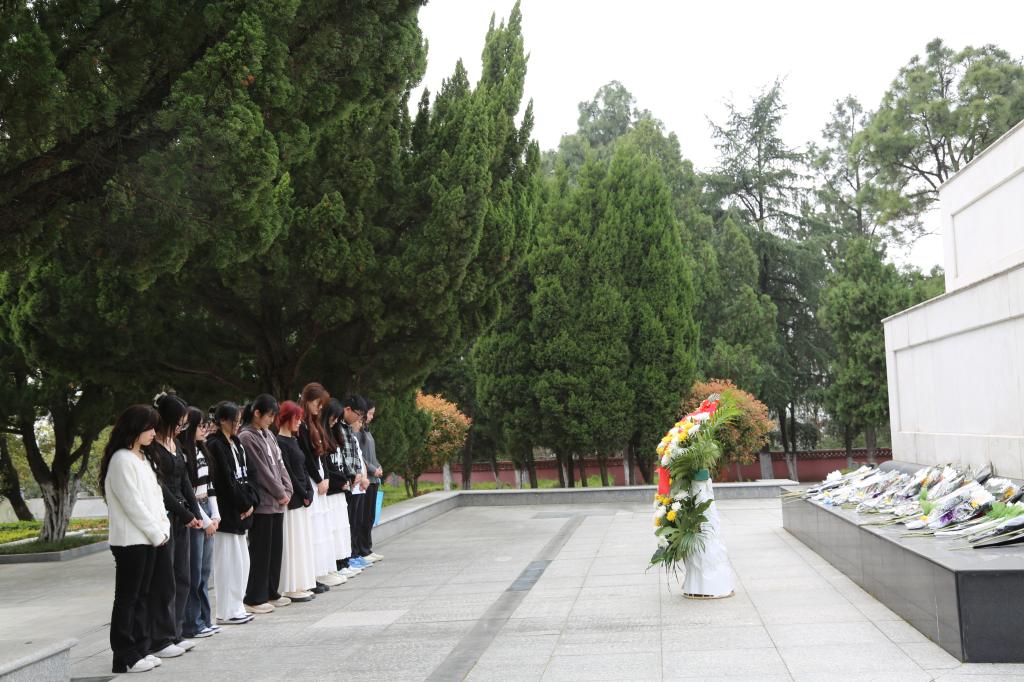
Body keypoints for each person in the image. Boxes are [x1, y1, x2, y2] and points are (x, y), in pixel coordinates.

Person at [100, 405, 169, 674]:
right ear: (135, 428)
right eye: (149, 427)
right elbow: (133, 504)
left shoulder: (142, 458)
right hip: (130, 541)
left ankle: (140, 649)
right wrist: (156, 532)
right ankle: (124, 655)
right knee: (127, 599)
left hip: (149, 539)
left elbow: (156, 498)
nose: (153, 433)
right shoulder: (121, 460)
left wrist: (162, 528)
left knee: (142, 597)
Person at [146, 392, 202, 659]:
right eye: (179, 422)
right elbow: (161, 487)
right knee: (165, 580)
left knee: (183, 576)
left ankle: (176, 631)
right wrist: (184, 513)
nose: (182, 428)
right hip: (166, 515)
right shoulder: (152, 448)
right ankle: (161, 637)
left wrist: (195, 511)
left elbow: (185, 481)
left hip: (183, 516)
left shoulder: (175, 443)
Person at [239, 394, 292, 613]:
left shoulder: (268, 434)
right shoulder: (246, 437)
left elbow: (280, 464)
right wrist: (280, 492)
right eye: (269, 415)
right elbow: (261, 471)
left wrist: (287, 489)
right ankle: (254, 597)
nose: (271, 420)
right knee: (260, 551)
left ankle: (271, 591)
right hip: (263, 503)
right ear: (257, 413)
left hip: (277, 502)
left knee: (274, 550)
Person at [205, 401, 257, 625]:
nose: (237, 425)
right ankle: (226, 611)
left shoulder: (236, 442)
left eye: (239, 421)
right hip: (228, 513)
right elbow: (225, 481)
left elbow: (250, 474)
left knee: (242, 563)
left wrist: (251, 501)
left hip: (242, 510)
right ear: (222, 420)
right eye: (234, 421)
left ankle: (237, 606)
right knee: (227, 564)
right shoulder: (215, 444)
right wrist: (243, 504)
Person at [298, 383, 345, 588]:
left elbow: (321, 455)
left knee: (322, 529)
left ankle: (323, 570)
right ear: (308, 400)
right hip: (313, 481)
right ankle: (314, 574)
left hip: (320, 480)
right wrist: (319, 479)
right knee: (314, 529)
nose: (319, 408)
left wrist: (325, 476)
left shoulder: (315, 424)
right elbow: (307, 457)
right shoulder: (302, 425)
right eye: (317, 403)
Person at [181, 407, 220, 639]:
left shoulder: (202, 450)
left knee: (205, 572)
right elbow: (189, 493)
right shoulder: (184, 454)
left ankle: (205, 619)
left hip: (207, 508)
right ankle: (192, 623)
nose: (204, 429)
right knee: (194, 572)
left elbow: (210, 486)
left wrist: (216, 515)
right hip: (195, 513)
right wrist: (205, 521)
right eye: (200, 425)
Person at [275, 400, 317, 602]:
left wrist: (309, 490)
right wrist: (303, 492)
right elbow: (288, 474)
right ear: (287, 419)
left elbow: (303, 468)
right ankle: (290, 586)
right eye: (297, 418)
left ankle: (301, 582)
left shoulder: (294, 440)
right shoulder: (279, 442)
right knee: (292, 543)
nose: (300, 422)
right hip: (293, 499)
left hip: (302, 498)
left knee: (301, 542)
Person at [322, 399, 361, 577]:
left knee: (342, 528)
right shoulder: (323, 433)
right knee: (334, 530)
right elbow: (326, 465)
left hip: (341, 487)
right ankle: (337, 564)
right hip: (332, 489)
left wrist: (348, 477)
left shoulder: (336, 432)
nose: (335, 421)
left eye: (337, 418)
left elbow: (343, 460)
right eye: (333, 418)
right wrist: (340, 481)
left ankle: (344, 561)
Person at [338, 394, 373, 570]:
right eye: (358, 415)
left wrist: (360, 475)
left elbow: (357, 458)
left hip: (357, 483)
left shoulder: (350, 431)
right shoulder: (339, 428)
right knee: (349, 522)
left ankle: (353, 554)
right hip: (347, 483)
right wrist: (351, 476)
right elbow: (342, 456)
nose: (359, 419)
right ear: (347, 409)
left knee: (356, 521)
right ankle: (348, 557)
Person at [355, 400, 383, 562]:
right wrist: (373, 469)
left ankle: (367, 548)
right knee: (363, 517)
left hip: (374, 479)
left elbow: (372, 455)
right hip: (366, 479)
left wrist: (379, 466)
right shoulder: (357, 432)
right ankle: (362, 550)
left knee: (370, 516)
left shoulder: (366, 431)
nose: (372, 417)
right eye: (370, 413)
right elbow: (361, 457)